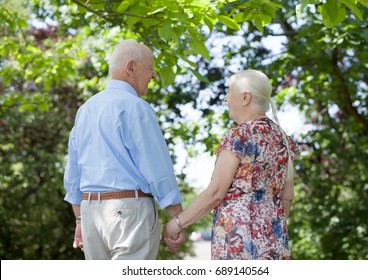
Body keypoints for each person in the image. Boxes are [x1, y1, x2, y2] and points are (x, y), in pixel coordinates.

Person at [63, 39, 185, 260]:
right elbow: (157, 168)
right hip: (129, 213)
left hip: (91, 214)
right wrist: (177, 218)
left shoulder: (86, 109)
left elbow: (73, 172)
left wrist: (79, 219)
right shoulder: (136, 107)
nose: (154, 76)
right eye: (151, 69)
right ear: (131, 67)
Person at [163, 69, 300, 260]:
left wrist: (175, 224)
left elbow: (215, 193)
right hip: (274, 241)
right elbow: (288, 196)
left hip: (238, 241)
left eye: (229, 92)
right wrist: (271, 231)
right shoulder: (284, 140)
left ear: (245, 98)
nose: (226, 99)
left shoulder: (239, 137)